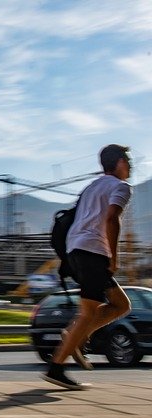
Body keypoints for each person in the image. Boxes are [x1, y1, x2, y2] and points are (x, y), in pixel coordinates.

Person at [42, 144, 133, 390]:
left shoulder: (91, 187)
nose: (131, 166)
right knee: (89, 312)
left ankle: (76, 336)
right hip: (93, 252)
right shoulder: (121, 187)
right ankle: (57, 367)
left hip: (76, 250)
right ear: (120, 163)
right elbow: (112, 218)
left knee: (121, 305)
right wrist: (114, 257)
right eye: (128, 160)